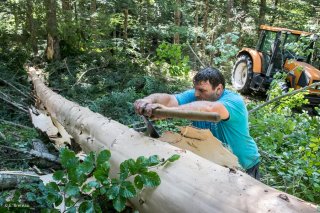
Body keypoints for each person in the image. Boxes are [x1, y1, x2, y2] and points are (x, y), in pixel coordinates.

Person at [134, 67, 260, 179]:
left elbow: (209, 109)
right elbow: (169, 99)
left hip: (244, 165)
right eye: (195, 89)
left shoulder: (234, 101)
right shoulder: (197, 95)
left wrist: (166, 112)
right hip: (217, 163)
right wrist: (148, 101)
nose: (196, 94)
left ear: (219, 89)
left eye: (202, 90)